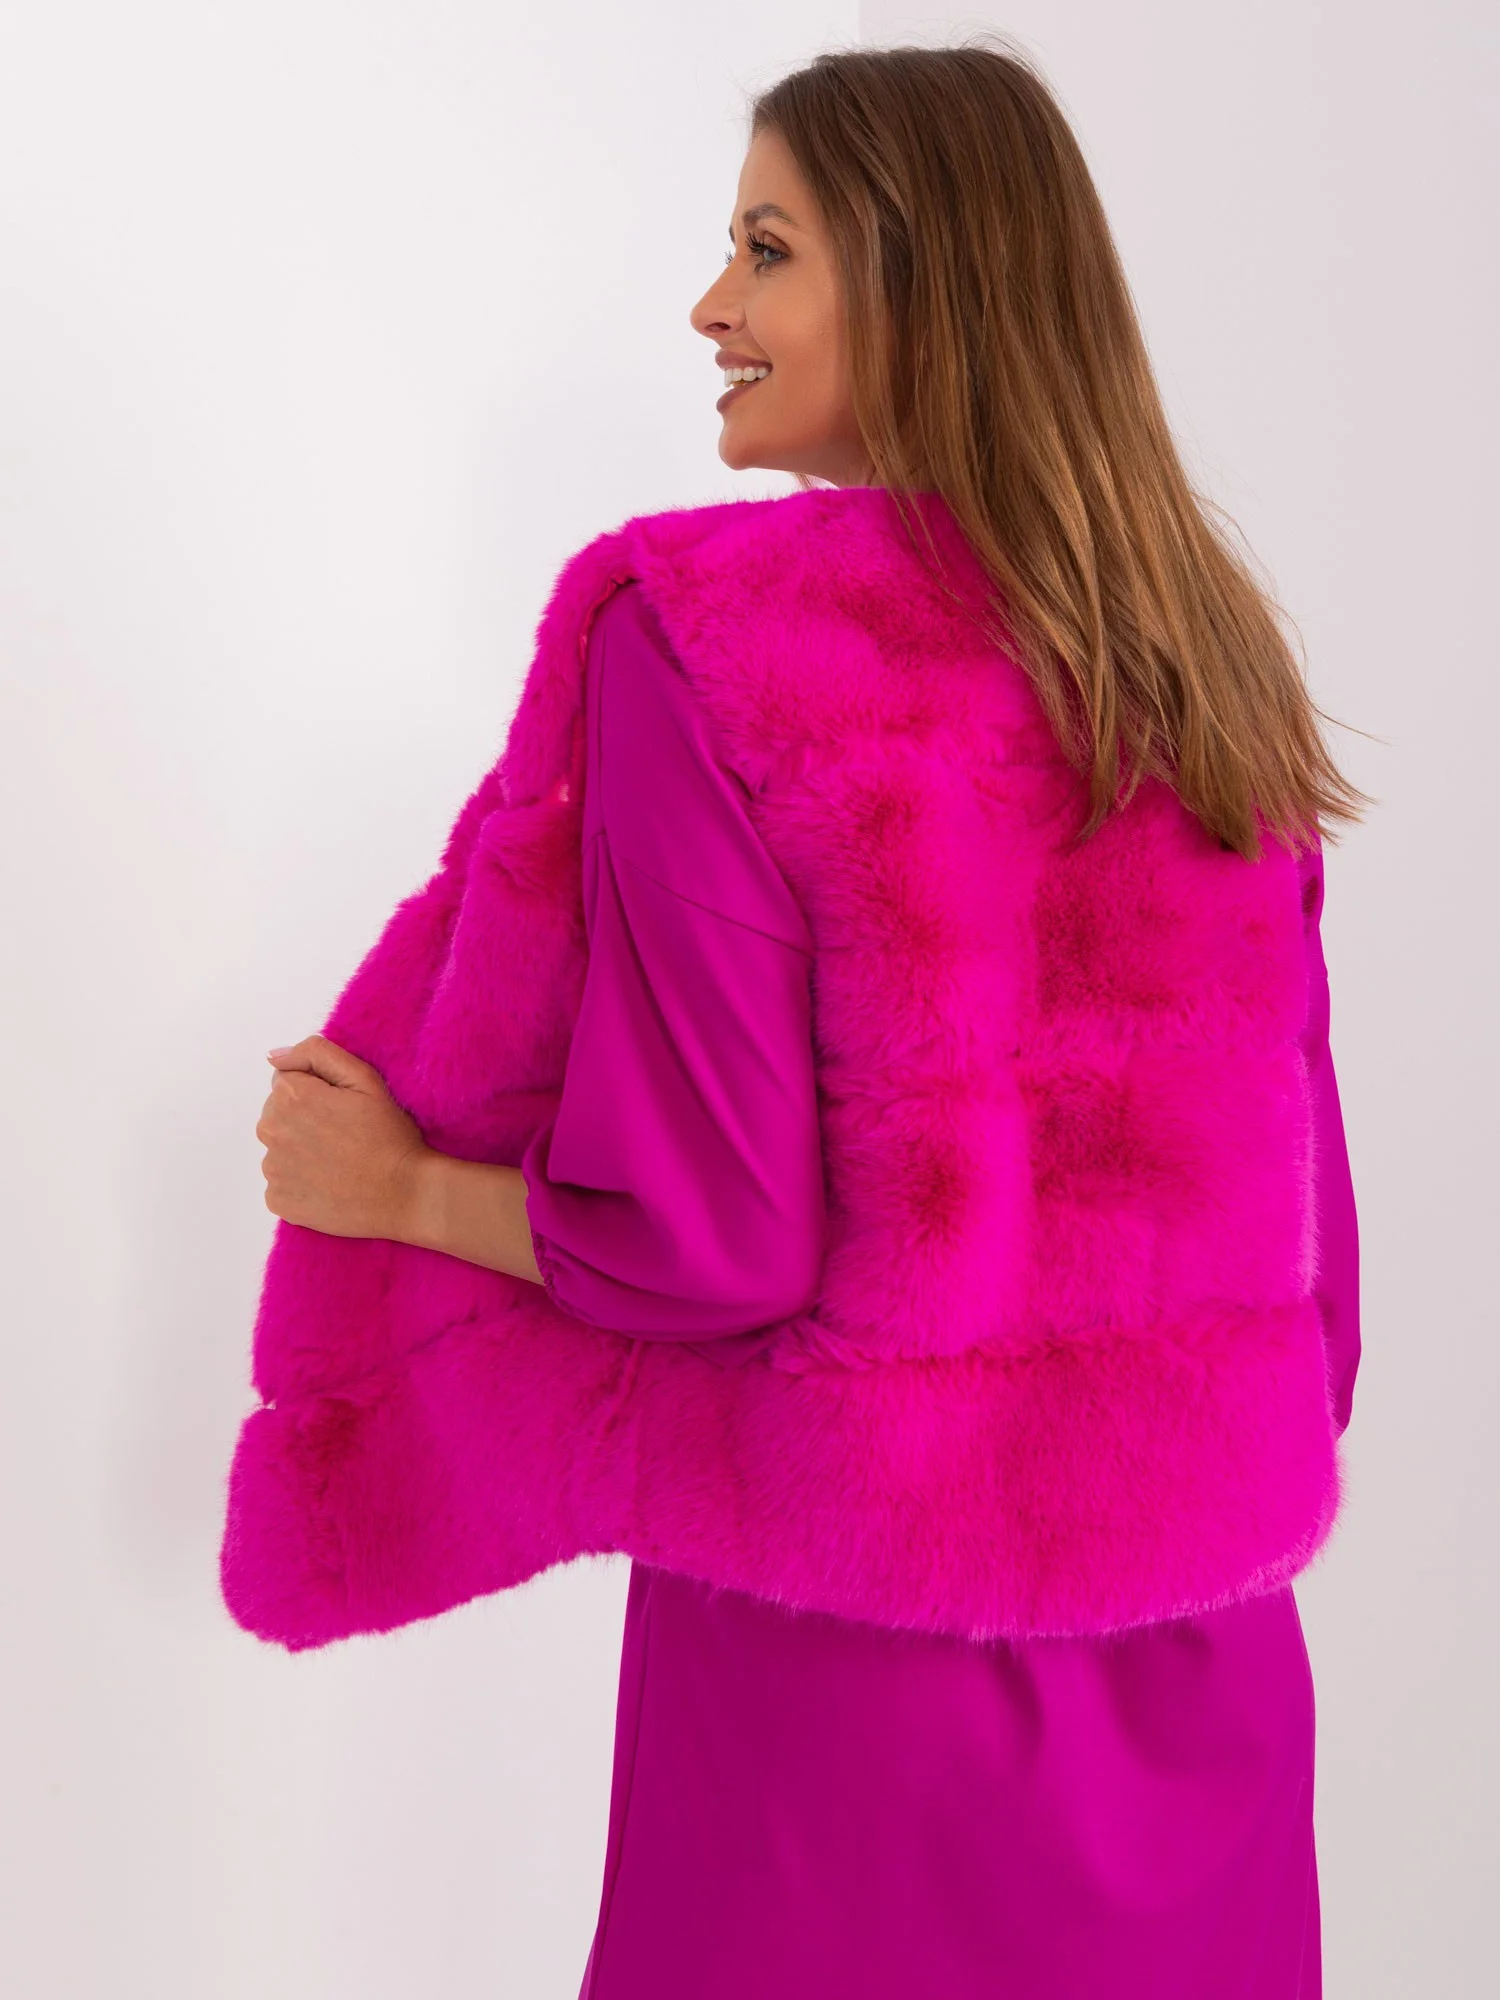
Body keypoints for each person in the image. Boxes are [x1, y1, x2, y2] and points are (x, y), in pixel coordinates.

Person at [255, 40, 1362, 1998]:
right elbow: (1315, 1299)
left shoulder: (710, 643)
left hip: (847, 1719)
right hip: (1204, 1706)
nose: (713, 306)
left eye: (767, 250)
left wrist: (402, 1191)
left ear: (922, 282)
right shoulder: (1203, 664)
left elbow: (711, 1243)